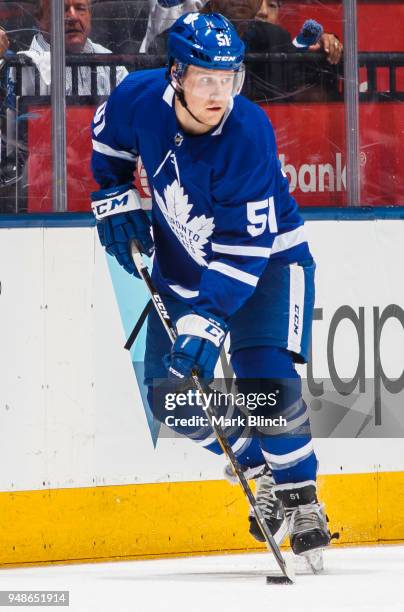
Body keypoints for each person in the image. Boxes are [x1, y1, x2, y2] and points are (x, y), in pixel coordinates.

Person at [90, 12, 334, 565]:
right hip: (183, 267)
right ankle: (255, 465)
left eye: (229, 79)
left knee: (263, 377)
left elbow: (242, 252)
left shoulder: (248, 133)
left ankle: (301, 494)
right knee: (166, 394)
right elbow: (107, 147)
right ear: (176, 73)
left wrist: (208, 320)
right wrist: (113, 198)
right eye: (206, 79)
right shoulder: (136, 96)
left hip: (267, 263)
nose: (219, 93)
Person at [18, 0, 127, 96]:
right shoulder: (22, 67)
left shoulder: (110, 63)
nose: (73, 17)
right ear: (39, 19)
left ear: (90, 15)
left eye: (80, 8)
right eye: (62, 9)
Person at [255, 0, 343, 66]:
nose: (263, 12)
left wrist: (322, 44)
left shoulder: (286, 48)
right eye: (256, 3)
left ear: (279, 15)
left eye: (271, 5)